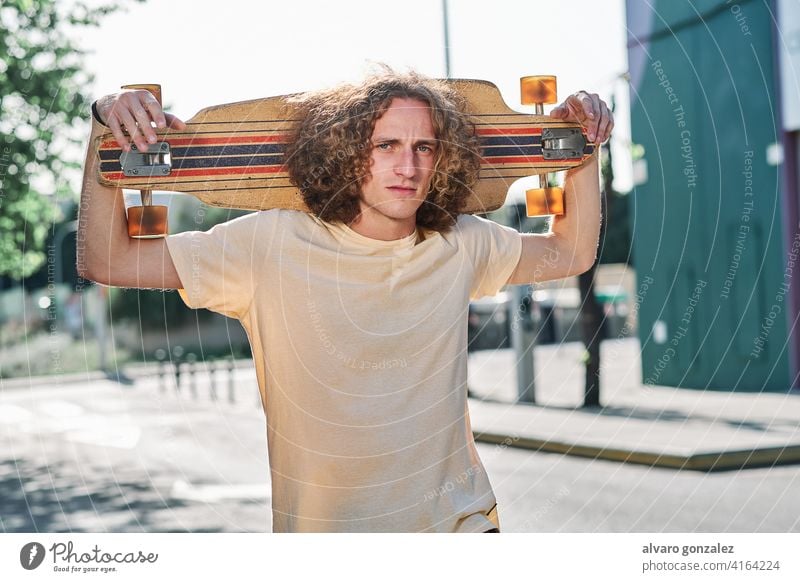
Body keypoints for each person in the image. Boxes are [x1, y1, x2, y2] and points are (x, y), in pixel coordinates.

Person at [78, 69, 612, 533]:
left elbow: (571, 251)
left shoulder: (460, 242)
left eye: (424, 147)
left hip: (459, 526)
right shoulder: (266, 244)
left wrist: (583, 149)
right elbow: (108, 261)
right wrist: (104, 128)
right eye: (387, 146)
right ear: (348, 152)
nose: (409, 167)